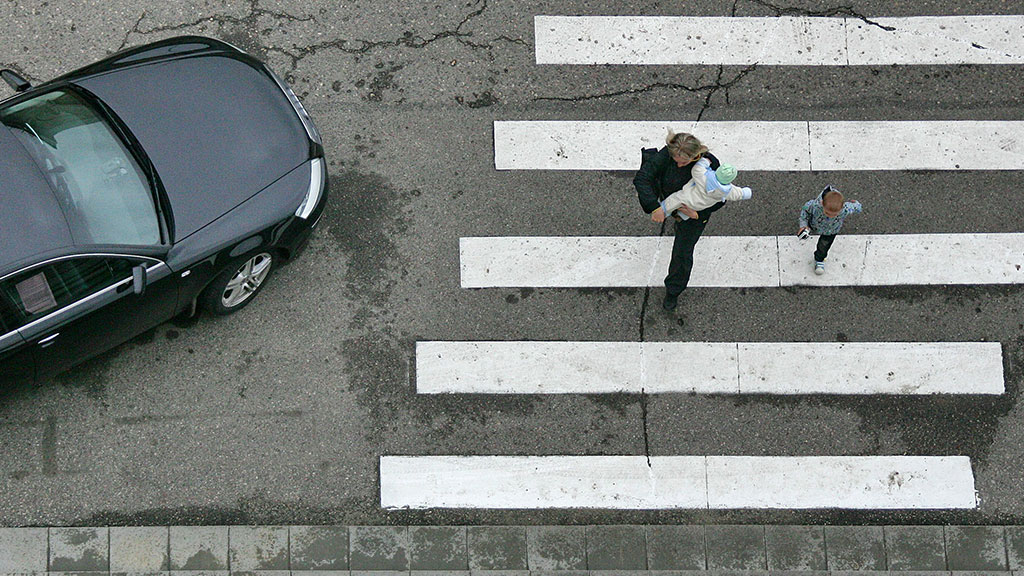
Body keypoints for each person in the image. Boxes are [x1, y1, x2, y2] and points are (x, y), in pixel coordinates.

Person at [633, 131, 734, 312]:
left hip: (695, 214)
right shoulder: (667, 154)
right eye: (675, 160)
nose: (678, 164)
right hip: (669, 201)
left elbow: (720, 197)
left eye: (683, 162)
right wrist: (654, 207)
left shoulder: (711, 165)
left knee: (682, 253)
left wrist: (696, 214)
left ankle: (673, 291)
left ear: (695, 156)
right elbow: (642, 178)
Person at [798, 185, 863, 275]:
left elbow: (856, 207)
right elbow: (805, 211)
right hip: (814, 224)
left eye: (835, 214)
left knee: (824, 246)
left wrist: (857, 205)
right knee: (816, 236)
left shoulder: (845, 209)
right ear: (822, 204)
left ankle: (819, 259)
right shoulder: (815, 206)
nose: (830, 216)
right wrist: (804, 225)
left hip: (831, 231)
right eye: (827, 213)